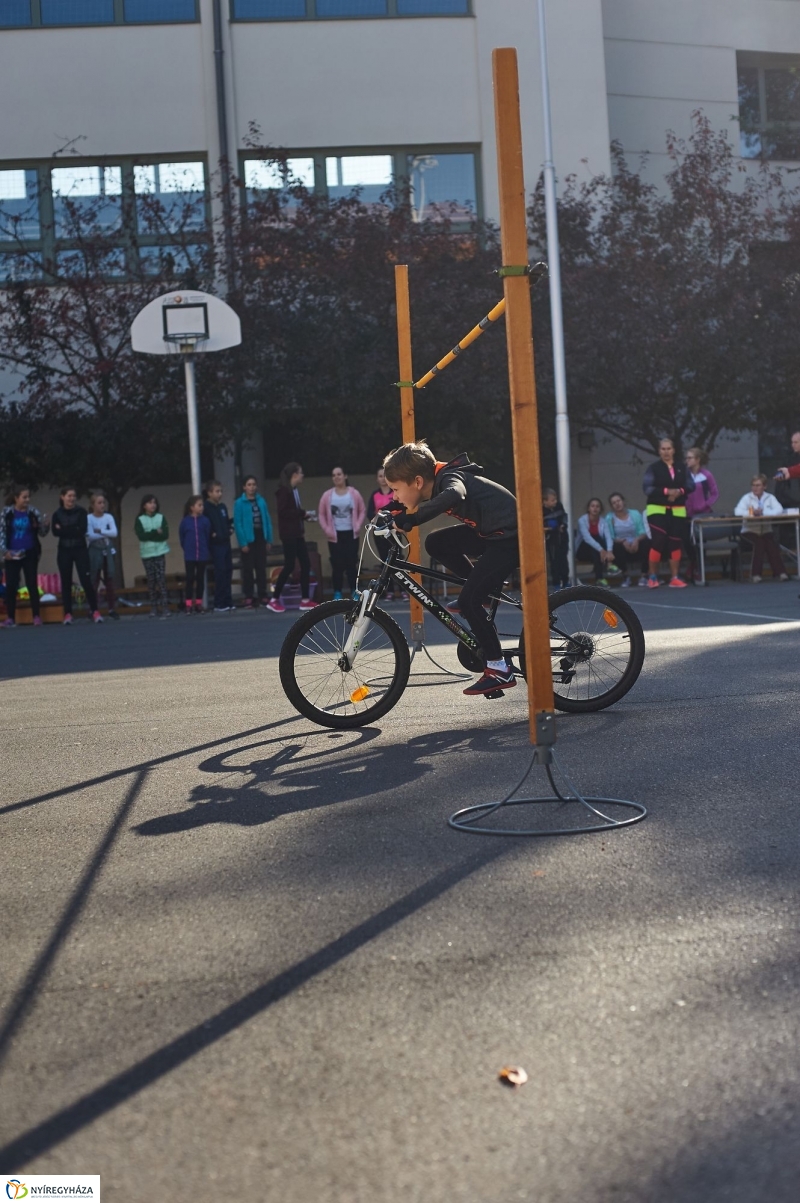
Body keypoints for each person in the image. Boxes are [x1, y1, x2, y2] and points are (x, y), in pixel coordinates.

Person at [383, 441, 519, 697]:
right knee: (435, 543)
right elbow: (403, 504)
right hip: (491, 533)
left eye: (396, 489)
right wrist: (389, 512)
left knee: (468, 602)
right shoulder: (434, 481)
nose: (395, 496)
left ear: (418, 482)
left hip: (510, 539)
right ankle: (482, 594)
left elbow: (455, 494)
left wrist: (413, 519)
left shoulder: (450, 478)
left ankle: (499, 668)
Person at [642, 438, 694, 588]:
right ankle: (652, 577)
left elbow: (691, 485)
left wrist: (679, 491)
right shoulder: (653, 468)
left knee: (675, 542)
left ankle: (674, 577)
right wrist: (667, 491)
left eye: (669, 449)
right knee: (658, 541)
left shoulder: (682, 467)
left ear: (673, 450)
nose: (666, 452)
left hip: (677, 509)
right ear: (659, 451)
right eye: (663, 449)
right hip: (657, 508)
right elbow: (647, 488)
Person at [269, 461, 317, 614]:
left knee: (305, 564)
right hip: (289, 534)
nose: (302, 476)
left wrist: (303, 516)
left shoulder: (294, 490)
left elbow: (293, 511)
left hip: (297, 533)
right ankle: (274, 599)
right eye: (301, 473)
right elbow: (284, 512)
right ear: (294, 475)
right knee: (289, 565)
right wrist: (302, 513)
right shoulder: (284, 491)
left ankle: (305, 599)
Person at [52, 485, 102, 625]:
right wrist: (71, 530)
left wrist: (64, 529)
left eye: (74, 496)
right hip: (64, 550)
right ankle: (68, 613)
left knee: (86, 580)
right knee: (66, 581)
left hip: (80, 549)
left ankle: (95, 610)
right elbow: (55, 532)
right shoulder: (57, 514)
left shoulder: (81, 512)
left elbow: (82, 530)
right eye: (69, 496)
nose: (72, 498)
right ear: (62, 497)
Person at [0, 485, 49, 628]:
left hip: (30, 552)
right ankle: (10, 617)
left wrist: (46, 525)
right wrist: (4, 551)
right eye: (24, 497)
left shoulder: (33, 512)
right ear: (16, 498)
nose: (27, 500)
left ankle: (36, 616)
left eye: (28, 497)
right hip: (12, 553)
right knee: (11, 585)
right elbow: (1, 532)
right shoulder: (7, 513)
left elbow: (42, 533)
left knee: (31, 583)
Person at [318, 466, 365, 601]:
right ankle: (337, 592)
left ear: (345, 476)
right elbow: (321, 514)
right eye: (334, 475)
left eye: (339, 474)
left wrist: (357, 526)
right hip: (335, 536)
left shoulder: (354, 493)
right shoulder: (327, 495)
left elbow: (362, 510)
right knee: (337, 564)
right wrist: (327, 529)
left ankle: (354, 591)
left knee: (351, 563)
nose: (336, 477)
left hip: (351, 534)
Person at [734, 474, 789, 583]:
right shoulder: (746, 498)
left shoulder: (770, 497)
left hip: (766, 531)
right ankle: (755, 574)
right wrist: (752, 513)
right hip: (749, 531)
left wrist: (764, 512)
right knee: (759, 543)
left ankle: (780, 573)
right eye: (753, 485)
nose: (755, 488)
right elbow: (737, 512)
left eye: (758, 485)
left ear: (764, 486)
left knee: (770, 542)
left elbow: (779, 510)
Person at [234, 474, 273, 610]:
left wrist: (269, 538)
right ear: (244, 487)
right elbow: (238, 524)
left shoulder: (261, 501)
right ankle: (249, 596)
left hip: (260, 536)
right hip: (248, 538)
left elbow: (267, 520)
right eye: (249, 485)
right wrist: (243, 543)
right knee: (248, 569)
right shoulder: (239, 503)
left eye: (254, 485)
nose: (252, 487)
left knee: (261, 567)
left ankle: (263, 594)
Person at [135, 494, 171, 618]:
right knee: (151, 580)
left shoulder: (161, 517)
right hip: (147, 554)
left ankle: (165, 607)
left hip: (160, 552)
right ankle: (154, 607)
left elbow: (165, 535)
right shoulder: (140, 519)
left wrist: (150, 535)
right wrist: (155, 532)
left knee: (161, 580)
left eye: (154, 502)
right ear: (144, 505)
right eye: (150, 503)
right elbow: (142, 536)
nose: (153, 505)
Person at [605, 492, 651, 587]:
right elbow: (610, 537)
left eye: (618, 501)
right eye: (614, 503)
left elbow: (643, 532)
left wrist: (636, 540)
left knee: (647, 543)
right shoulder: (609, 518)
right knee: (616, 547)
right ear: (612, 506)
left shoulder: (635, 514)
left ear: (623, 501)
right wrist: (622, 541)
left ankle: (644, 576)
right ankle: (626, 576)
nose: (617, 504)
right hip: (621, 546)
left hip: (636, 545)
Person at [367, 466, 399, 600]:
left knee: (398, 559)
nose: (383, 479)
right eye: (380, 476)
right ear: (377, 479)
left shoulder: (395, 493)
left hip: (395, 530)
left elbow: (400, 508)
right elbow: (370, 513)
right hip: (380, 532)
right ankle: (389, 591)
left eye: (384, 476)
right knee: (384, 559)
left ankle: (401, 590)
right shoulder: (374, 495)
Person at [87, 491, 120, 620]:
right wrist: (106, 532)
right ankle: (93, 608)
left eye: (103, 503)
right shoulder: (89, 518)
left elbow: (114, 533)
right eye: (99, 503)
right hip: (94, 551)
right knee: (94, 579)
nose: (102, 505)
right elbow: (90, 535)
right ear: (93, 505)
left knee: (109, 579)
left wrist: (100, 530)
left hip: (107, 549)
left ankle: (111, 608)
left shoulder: (108, 517)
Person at [203, 479, 233, 612]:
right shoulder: (206, 508)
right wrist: (212, 534)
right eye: (217, 491)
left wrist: (230, 528)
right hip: (216, 544)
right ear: (209, 493)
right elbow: (205, 524)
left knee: (228, 571)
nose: (220, 494)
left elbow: (226, 521)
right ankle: (219, 602)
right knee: (220, 572)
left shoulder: (222, 507)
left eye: (220, 491)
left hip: (226, 541)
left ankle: (228, 600)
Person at [179, 495, 212, 613]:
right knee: (190, 579)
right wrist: (188, 549)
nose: (201, 507)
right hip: (190, 555)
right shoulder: (185, 522)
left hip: (202, 554)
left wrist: (204, 549)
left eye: (202, 505)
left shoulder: (205, 521)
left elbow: (207, 536)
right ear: (192, 507)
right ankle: (188, 603)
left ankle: (198, 603)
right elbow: (182, 538)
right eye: (199, 505)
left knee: (200, 579)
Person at [575, 498, 616, 586]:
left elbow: (608, 537)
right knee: (596, 538)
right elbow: (587, 538)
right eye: (592, 506)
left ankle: (600, 578)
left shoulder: (603, 521)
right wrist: (601, 549)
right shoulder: (582, 520)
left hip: (596, 552)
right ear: (588, 508)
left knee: (599, 545)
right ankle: (609, 566)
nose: (595, 508)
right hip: (582, 551)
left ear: (600, 509)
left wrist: (609, 551)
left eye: (597, 506)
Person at [542, 487, 570, 589]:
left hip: (562, 537)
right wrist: (547, 528)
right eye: (552, 500)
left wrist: (563, 525)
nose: (555, 502)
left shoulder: (559, 506)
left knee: (564, 561)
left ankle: (566, 581)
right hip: (551, 539)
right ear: (545, 501)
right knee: (554, 562)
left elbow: (564, 517)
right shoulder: (542, 511)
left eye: (555, 499)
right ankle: (556, 583)